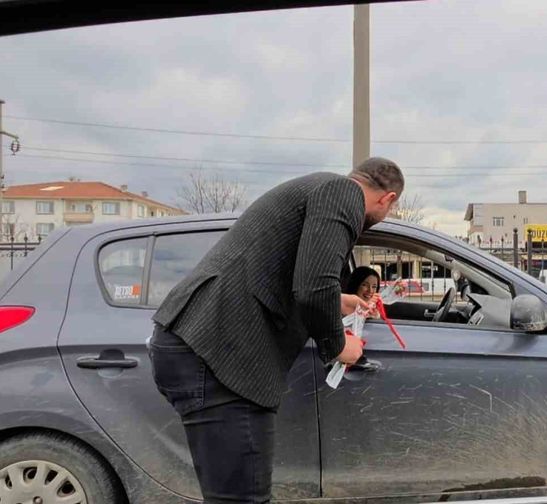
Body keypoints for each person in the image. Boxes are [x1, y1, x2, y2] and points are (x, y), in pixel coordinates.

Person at [149, 157, 404, 503]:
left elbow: (297, 276)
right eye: (390, 209)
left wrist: (339, 301)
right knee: (242, 499)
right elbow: (313, 287)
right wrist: (338, 345)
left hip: (205, 347)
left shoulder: (318, 188)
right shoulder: (343, 192)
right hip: (218, 354)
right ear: (388, 198)